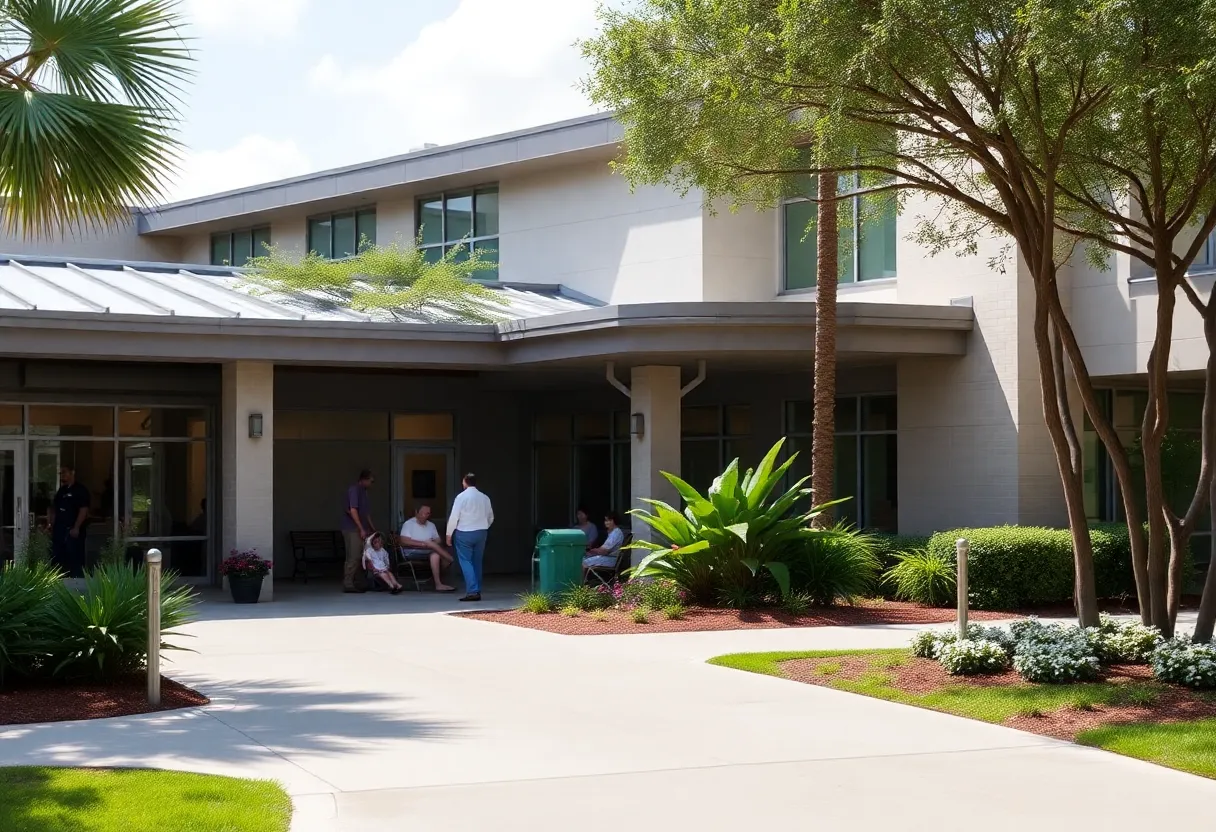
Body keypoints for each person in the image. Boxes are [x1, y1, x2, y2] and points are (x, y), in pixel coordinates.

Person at [446, 473, 493, 602]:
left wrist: (449, 534)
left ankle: (472, 591)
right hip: (481, 532)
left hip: (464, 532)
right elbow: (490, 517)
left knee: (465, 561)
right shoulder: (484, 498)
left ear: (465, 482)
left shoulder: (461, 497)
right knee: (477, 561)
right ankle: (477, 588)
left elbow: (454, 516)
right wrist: (484, 527)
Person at [399, 505, 456, 592]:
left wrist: (430, 544)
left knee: (436, 555)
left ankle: (437, 584)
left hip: (428, 550)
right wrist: (423, 544)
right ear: (416, 512)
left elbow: (438, 540)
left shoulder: (431, 525)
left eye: (427, 514)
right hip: (411, 551)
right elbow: (404, 541)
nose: (424, 516)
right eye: (422, 513)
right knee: (435, 549)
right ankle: (450, 559)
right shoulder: (408, 524)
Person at [49, 466, 90, 577]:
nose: (62, 476)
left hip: (72, 531)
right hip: (59, 530)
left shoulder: (80, 490)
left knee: (75, 559)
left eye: (65, 473)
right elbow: (54, 509)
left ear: (72, 473)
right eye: (61, 473)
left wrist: (76, 527)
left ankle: (77, 584)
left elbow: (83, 510)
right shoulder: (62, 491)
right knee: (57, 559)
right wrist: (51, 525)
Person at [341, 469, 376, 593]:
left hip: (363, 529)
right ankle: (348, 583)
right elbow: (353, 510)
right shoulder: (354, 490)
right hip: (352, 529)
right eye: (371, 481)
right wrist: (361, 528)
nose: (372, 484)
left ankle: (360, 582)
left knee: (363, 556)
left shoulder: (364, 493)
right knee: (354, 556)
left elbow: (366, 513)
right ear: (364, 479)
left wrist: (372, 529)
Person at [583, 512, 625, 576]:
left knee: (583, 562)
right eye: (606, 520)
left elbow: (603, 551)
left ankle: (580, 584)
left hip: (612, 560)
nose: (606, 522)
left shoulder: (616, 533)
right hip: (609, 557)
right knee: (584, 558)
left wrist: (589, 550)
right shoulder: (613, 532)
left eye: (609, 520)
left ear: (615, 521)